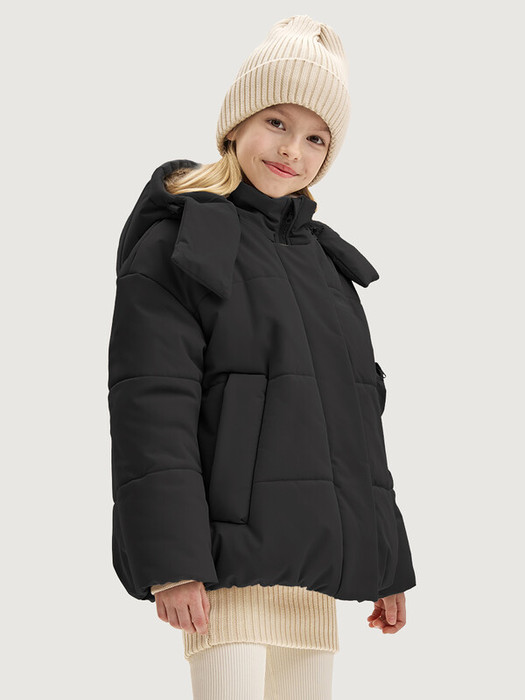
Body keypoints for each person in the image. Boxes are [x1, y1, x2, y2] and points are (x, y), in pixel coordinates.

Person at [107, 14, 416, 700]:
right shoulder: (183, 243)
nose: (291, 150)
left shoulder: (326, 266)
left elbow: (358, 421)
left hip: (313, 577)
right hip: (224, 573)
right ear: (236, 122)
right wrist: (173, 560)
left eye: (315, 138)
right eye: (276, 122)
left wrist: (384, 559)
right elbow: (151, 405)